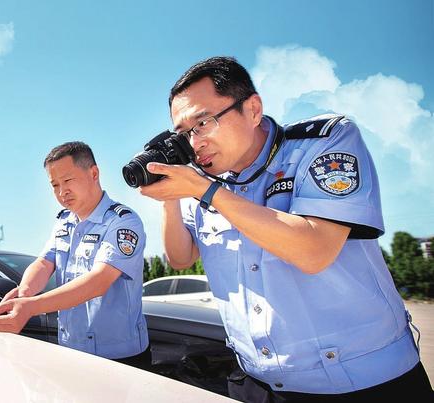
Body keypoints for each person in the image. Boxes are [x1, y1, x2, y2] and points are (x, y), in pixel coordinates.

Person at [137, 56, 432, 401]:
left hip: (365, 383)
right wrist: (170, 196)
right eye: (184, 133)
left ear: (253, 109)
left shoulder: (323, 142)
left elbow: (313, 251)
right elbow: (180, 258)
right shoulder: (201, 182)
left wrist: (205, 191)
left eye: (203, 123)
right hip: (258, 384)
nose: (195, 142)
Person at [0, 141, 150, 368]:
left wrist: (31, 307)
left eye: (68, 180)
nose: (62, 192)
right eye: (54, 185)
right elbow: (44, 263)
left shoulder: (123, 222)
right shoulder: (64, 222)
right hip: (71, 349)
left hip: (120, 357)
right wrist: (24, 293)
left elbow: (99, 282)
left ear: (94, 173)